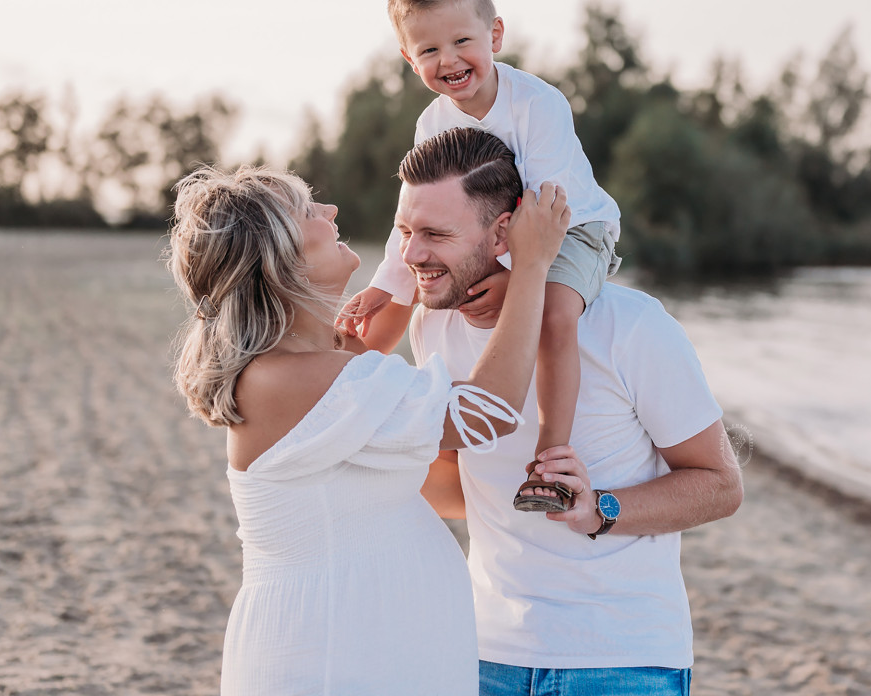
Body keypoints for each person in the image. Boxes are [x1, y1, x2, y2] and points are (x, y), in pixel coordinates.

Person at [165, 158, 570, 695]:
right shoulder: (288, 379)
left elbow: (383, 329)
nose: (331, 209)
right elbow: (487, 411)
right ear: (281, 256)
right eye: (309, 209)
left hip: (356, 647)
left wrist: (416, 247)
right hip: (334, 656)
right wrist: (533, 267)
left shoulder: (308, 368)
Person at [392, 128, 745, 696]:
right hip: (485, 653)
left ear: (505, 231)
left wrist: (600, 508)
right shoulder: (432, 327)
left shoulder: (630, 325)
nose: (411, 254)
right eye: (406, 231)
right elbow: (466, 492)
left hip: (621, 658)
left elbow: (722, 485)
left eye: (435, 234)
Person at [338, 0, 622, 514]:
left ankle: (551, 458)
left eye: (462, 40)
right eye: (428, 50)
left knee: (554, 316)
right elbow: (414, 219)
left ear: (495, 34)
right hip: (495, 239)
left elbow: (545, 211)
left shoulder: (538, 105)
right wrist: (384, 284)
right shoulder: (432, 123)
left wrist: (517, 284)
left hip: (572, 229)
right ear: (407, 56)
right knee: (412, 299)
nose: (448, 60)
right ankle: (348, 388)